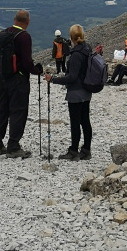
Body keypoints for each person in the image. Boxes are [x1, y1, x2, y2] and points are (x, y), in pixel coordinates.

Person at [0, 9, 42, 158]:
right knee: (18, 111)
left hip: (1, 79)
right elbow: (26, 63)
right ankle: (13, 146)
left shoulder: (4, 33)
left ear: (14, 19)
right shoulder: (24, 37)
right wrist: (36, 70)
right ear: (28, 21)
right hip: (17, 81)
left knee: (0, 110)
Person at [45, 24, 92, 161]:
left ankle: (73, 151)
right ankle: (86, 150)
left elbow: (72, 77)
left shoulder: (76, 54)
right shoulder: (87, 48)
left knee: (75, 122)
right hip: (86, 90)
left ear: (71, 36)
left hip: (75, 92)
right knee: (85, 121)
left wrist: (53, 79)